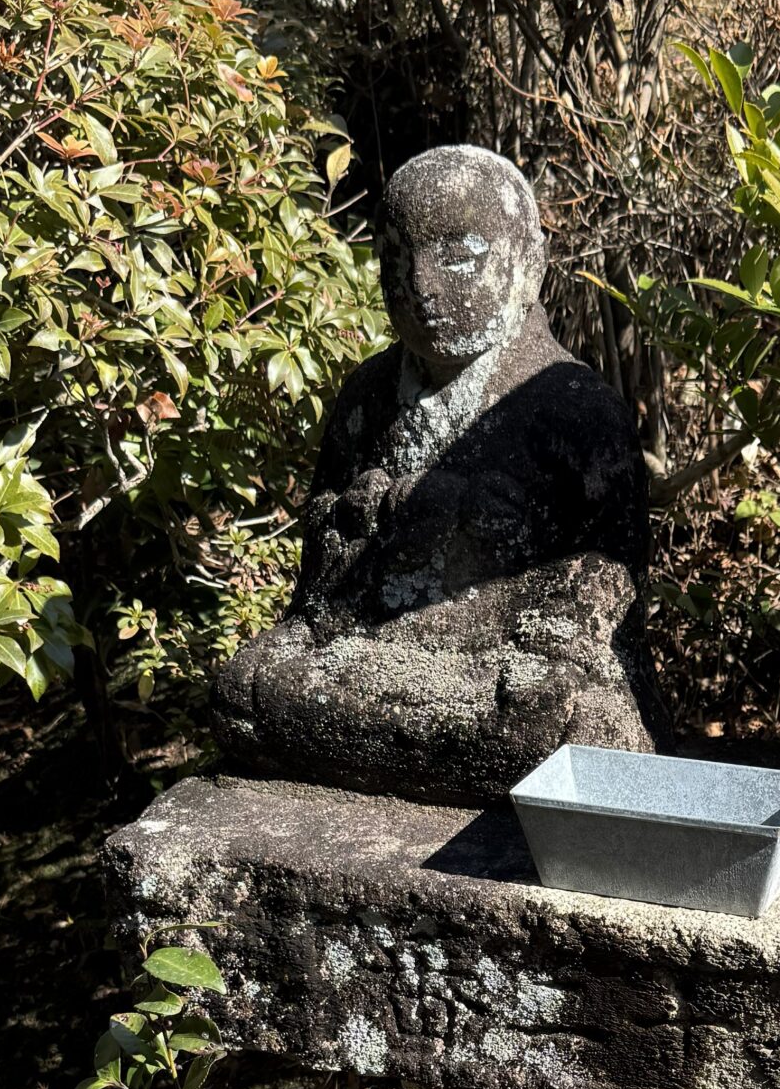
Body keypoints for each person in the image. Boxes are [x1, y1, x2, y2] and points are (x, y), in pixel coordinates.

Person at [214, 145, 655, 808]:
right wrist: (356, 526)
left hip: (502, 679)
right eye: (395, 260)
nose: (419, 285)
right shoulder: (366, 396)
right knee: (240, 689)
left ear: (528, 264)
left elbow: (598, 608)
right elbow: (315, 600)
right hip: (367, 658)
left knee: (569, 731)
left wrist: (471, 528)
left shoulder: (575, 410)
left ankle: (387, 749)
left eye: (456, 257)